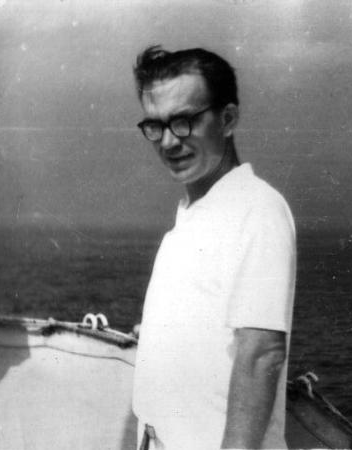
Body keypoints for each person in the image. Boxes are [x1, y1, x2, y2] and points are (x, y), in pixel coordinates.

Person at [131, 46, 297, 450]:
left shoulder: (257, 209)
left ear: (228, 119)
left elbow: (262, 354)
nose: (169, 141)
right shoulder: (192, 215)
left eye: (184, 121)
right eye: (156, 125)